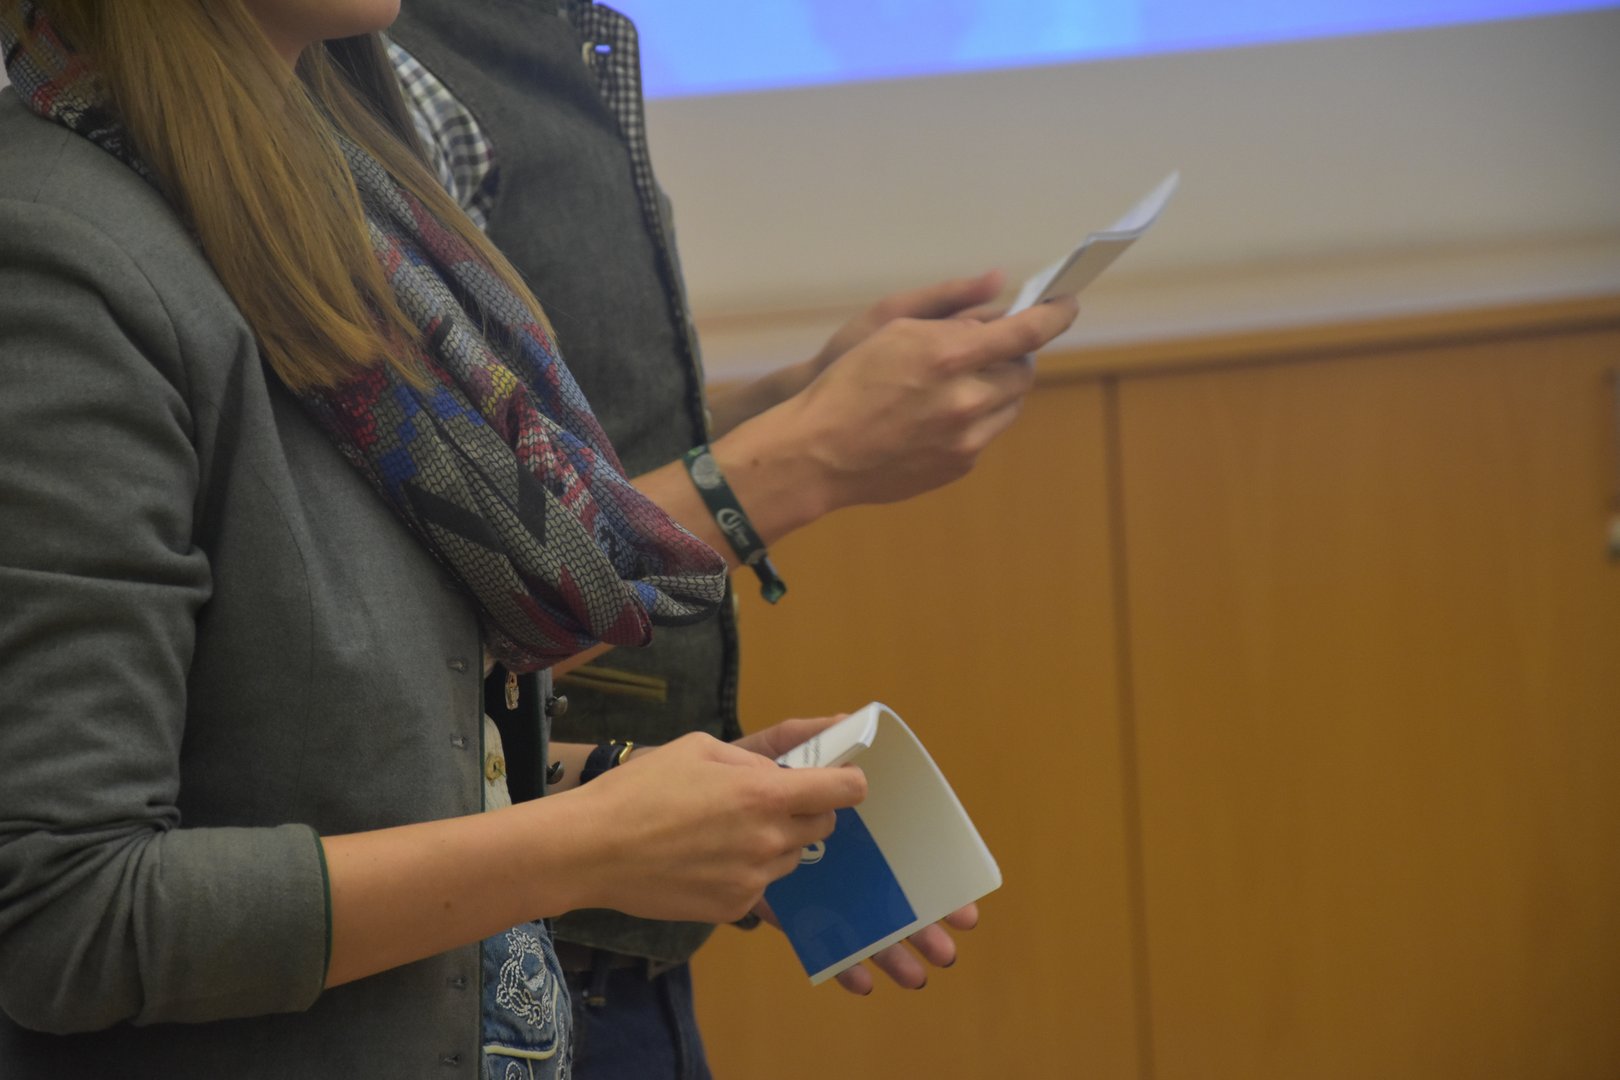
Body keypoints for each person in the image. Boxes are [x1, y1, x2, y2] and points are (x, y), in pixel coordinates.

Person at [0, 0, 1018, 1075]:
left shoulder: (344, 201)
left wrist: (654, 801)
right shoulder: (60, 253)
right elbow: (68, 918)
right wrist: (590, 845)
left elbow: (315, 757)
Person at [387, 3, 1079, 1076]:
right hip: (494, 957)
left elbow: (540, 466)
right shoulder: (386, 68)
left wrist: (793, 403)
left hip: (599, 918)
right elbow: (419, 617)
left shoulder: (529, 38)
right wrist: (807, 453)